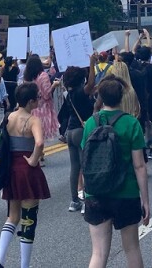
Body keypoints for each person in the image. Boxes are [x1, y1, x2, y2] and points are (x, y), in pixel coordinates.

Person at [83, 78, 150, 268]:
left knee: (98, 253)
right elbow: (139, 166)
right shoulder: (131, 123)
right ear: (122, 97)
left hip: (96, 192)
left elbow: (84, 159)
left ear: (100, 97)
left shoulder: (90, 123)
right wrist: (145, 200)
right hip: (126, 192)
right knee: (132, 249)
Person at [0, 82, 50, 268]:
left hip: (11, 169)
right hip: (28, 170)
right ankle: (24, 265)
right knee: (28, 219)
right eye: (37, 98)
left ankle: (0, 259)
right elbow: (40, 142)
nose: (38, 101)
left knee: (12, 216)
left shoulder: (9, 117)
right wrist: (34, 160)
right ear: (31, 101)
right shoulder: (33, 120)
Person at [58, 64, 95, 212]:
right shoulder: (80, 92)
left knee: (75, 167)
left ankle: (74, 201)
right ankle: (87, 201)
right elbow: (91, 83)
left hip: (71, 131)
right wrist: (92, 63)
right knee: (86, 166)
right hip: (81, 131)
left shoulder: (69, 94)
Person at [25, 55, 60, 149]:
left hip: (32, 108)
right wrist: (54, 85)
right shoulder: (43, 76)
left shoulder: (28, 78)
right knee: (40, 134)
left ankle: (37, 153)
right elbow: (47, 94)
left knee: (34, 133)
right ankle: (39, 155)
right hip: (43, 109)